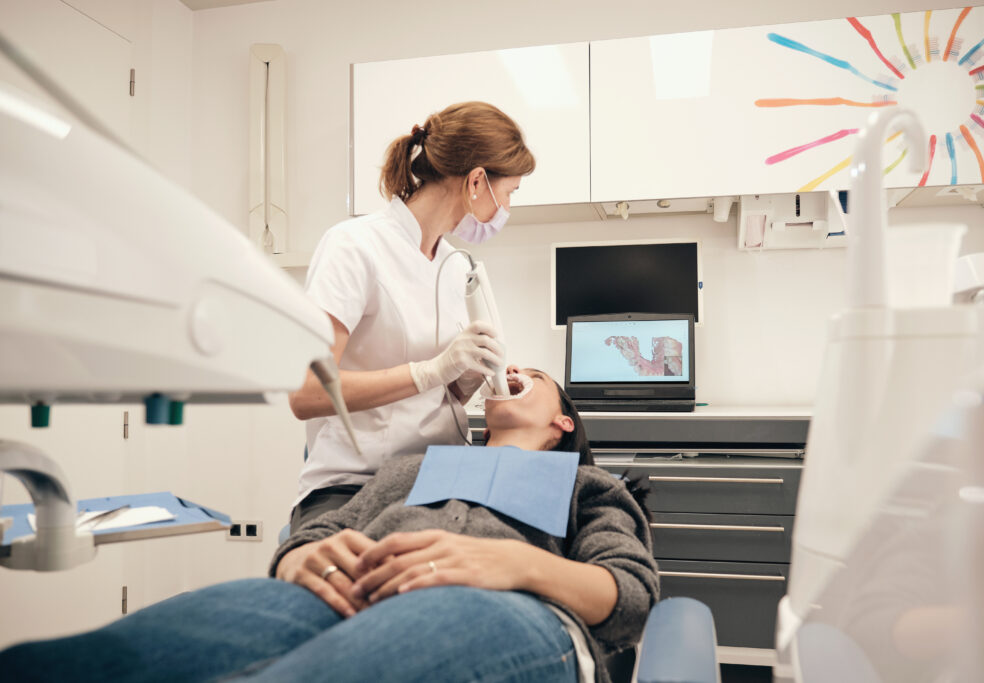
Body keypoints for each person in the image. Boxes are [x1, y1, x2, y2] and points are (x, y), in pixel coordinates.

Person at [0, 367, 658, 683]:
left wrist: (512, 566)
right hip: (345, 594)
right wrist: (294, 561)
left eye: (534, 375)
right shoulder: (412, 469)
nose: (511, 370)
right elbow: (317, 533)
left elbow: (629, 595)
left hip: (512, 610)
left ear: (564, 421)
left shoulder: (583, 485)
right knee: (83, 664)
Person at [286, 101, 536, 532]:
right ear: (477, 181)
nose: (507, 208)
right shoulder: (354, 246)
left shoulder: (456, 265)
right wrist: (431, 370)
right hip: (356, 487)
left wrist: (469, 376)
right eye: (509, 192)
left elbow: (437, 397)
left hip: (441, 484)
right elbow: (306, 393)